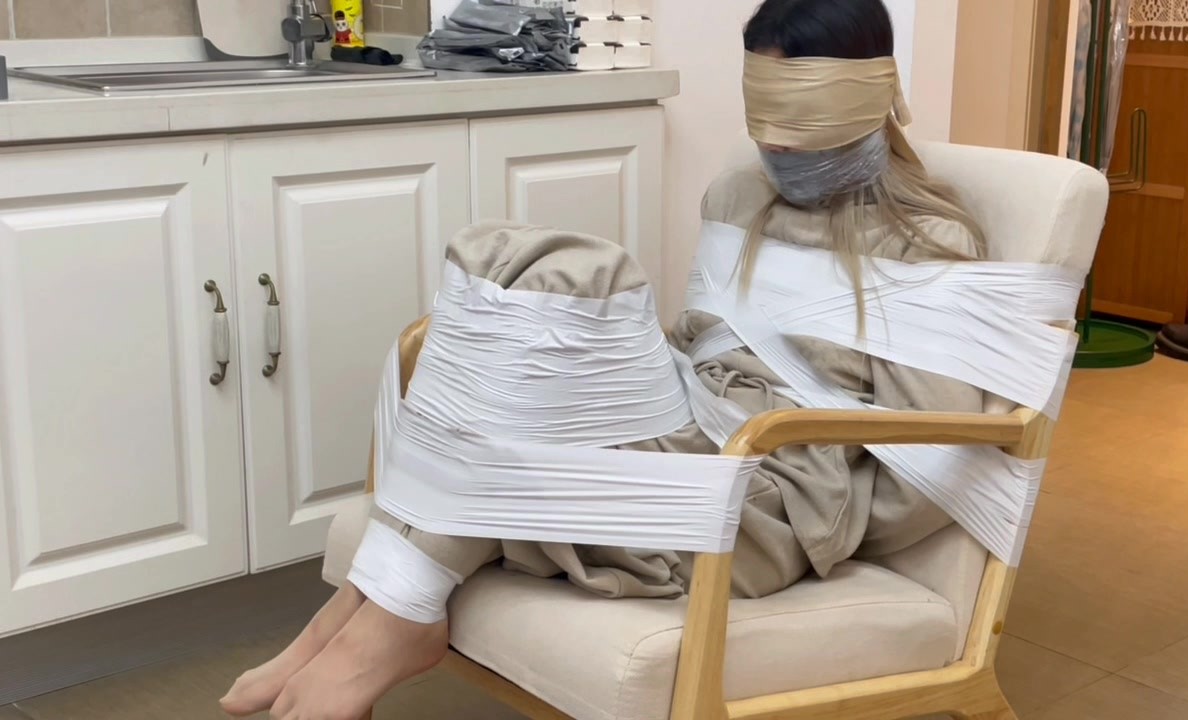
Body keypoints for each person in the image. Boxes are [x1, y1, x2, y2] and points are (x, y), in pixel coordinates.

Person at [220, 1, 994, 718]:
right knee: (516, 280)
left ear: (868, 94)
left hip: (772, 491)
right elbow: (703, 338)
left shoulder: (931, 245)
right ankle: (364, 610)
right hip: (695, 422)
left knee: (558, 332)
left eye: (802, 112)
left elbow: (934, 461)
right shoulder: (739, 197)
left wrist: (828, 518)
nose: (778, 143)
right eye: (764, 111)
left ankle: (385, 614)